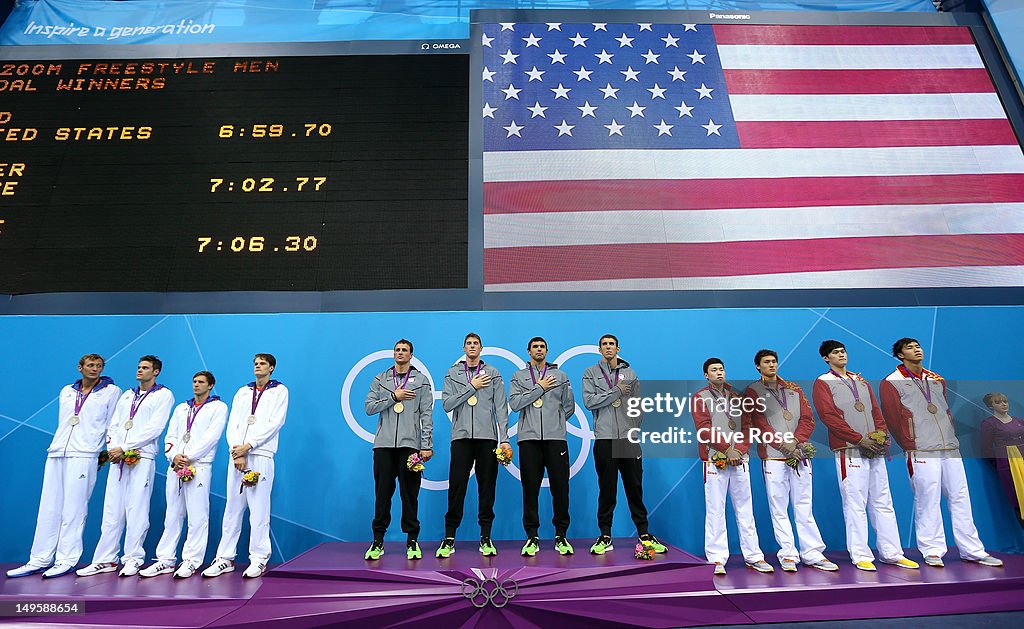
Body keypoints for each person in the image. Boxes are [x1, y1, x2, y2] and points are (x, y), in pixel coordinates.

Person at [880, 338, 1003, 568]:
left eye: (918, 346)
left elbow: (944, 410)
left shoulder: (936, 379)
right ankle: (932, 550)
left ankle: (973, 550)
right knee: (928, 498)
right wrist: (910, 443)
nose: (917, 349)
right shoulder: (892, 382)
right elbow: (893, 417)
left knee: (960, 497)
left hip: (949, 447)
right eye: (910, 347)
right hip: (921, 449)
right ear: (899, 355)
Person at [6, 355, 121, 579]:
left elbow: (111, 424)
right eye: (90, 365)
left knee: (74, 509)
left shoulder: (111, 392)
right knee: (48, 508)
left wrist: (103, 452)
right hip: (57, 451)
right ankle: (39, 558)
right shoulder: (67, 390)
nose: (94, 369)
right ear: (80, 368)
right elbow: (65, 420)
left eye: (99, 366)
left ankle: (66, 559)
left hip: (85, 453)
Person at [812, 340, 918, 572]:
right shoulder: (823, 382)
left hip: (874, 448)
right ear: (825, 358)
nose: (841, 354)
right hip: (849, 449)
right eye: (835, 353)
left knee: (883, 501)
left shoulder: (860, 380)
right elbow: (828, 416)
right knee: (855, 502)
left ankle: (892, 552)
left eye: (843, 350)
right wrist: (859, 439)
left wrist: (881, 437)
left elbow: (875, 411)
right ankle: (861, 554)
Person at [77, 356, 175, 577]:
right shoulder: (127, 395)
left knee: (136, 510)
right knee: (111, 510)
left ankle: (133, 558)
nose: (139, 371)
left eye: (145, 368)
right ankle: (105, 559)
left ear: (156, 371)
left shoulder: (163, 395)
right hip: (118, 458)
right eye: (138, 367)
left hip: (142, 457)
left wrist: (127, 446)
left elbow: (155, 428)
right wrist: (113, 446)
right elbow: (114, 424)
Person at [745, 349, 837, 572]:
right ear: (758, 366)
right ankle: (788, 554)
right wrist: (783, 445)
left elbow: (807, 418)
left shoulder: (794, 388)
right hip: (774, 457)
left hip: (799, 453)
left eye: (774, 361)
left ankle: (813, 553)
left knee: (804, 505)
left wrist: (797, 441)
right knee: (779, 508)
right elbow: (759, 423)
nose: (771, 365)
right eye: (766, 362)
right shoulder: (752, 391)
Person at [202, 354, 288, 578]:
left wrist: (250, 445)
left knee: (259, 510)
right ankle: (225, 558)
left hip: (260, 454)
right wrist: (236, 449)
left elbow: (275, 423)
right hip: (238, 456)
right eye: (255, 363)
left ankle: (259, 558)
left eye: (262, 364)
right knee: (232, 508)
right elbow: (235, 423)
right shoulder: (243, 392)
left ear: (271, 368)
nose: (257, 367)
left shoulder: (279, 391)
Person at [581, 334, 666, 556]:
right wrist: (616, 391)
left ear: (618, 348)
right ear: (599, 349)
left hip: (628, 439)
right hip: (605, 439)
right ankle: (605, 536)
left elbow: (638, 405)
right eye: (604, 345)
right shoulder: (590, 373)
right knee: (607, 489)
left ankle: (644, 534)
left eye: (611, 344)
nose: (608, 347)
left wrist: (633, 428)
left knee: (635, 488)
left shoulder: (630, 373)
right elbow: (590, 402)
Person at [141, 371, 228, 578]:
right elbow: (170, 434)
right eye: (194, 381)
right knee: (172, 514)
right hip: (176, 465)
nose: (196, 385)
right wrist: (173, 455)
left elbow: (211, 437)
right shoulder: (182, 408)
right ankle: (165, 559)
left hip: (199, 465)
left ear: (211, 385)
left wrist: (189, 456)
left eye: (201, 382)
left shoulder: (218, 407)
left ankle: (191, 560)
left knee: (197, 516)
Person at [691, 358, 772, 575]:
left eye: (721, 369)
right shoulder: (700, 398)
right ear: (706, 375)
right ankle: (717, 558)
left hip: (740, 459)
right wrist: (728, 449)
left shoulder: (738, 397)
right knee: (716, 509)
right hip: (714, 458)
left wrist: (742, 449)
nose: (719, 372)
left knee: (746, 509)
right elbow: (703, 428)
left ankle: (754, 556)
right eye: (713, 370)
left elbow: (748, 426)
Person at [437, 333, 508, 558]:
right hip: (461, 438)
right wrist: (472, 386)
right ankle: (449, 538)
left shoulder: (493, 373)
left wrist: (504, 438)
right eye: (468, 344)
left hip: (487, 438)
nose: (472, 347)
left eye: (475, 344)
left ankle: (486, 537)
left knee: (487, 488)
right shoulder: (453, 373)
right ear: (463, 348)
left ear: (481, 348)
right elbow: (447, 404)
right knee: (457, 487)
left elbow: (501, 409)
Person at [362, 340, 433, 561]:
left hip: (409, 446)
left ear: (411, 355)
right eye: (397, 350)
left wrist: (426, 444)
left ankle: (412, 541)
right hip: (383, 446)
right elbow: (369, 408)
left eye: (404, 350)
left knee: (409, 494)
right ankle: (378, 541)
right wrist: (393, 397)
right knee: (382, 494)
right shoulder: (381, 379)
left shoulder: (421, 381)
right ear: (394, 354)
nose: (400, 353)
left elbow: (426, 415)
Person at [509, 337, 576, 556]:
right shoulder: (519, 377)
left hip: (555, 439)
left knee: (560, 487)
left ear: (547, 350)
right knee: (530, 488)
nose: (539, 349)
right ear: (528, 351)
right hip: (528, 439)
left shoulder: (560, 376)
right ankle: (532, 537)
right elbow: (516, 404)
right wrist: (539, 388)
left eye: (542, 347)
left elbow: (569, 407)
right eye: (535, 347)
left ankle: (561, 535)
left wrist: (555, 422)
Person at [980, 392, 1024, 527]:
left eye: (1005, 401)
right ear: (990, 406)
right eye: (998, 402)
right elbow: (986, 448)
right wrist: (1000, 464)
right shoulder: (989, 424)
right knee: (1019, 499)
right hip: (1008, 465)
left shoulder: (1018, 421)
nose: (1004, 404)